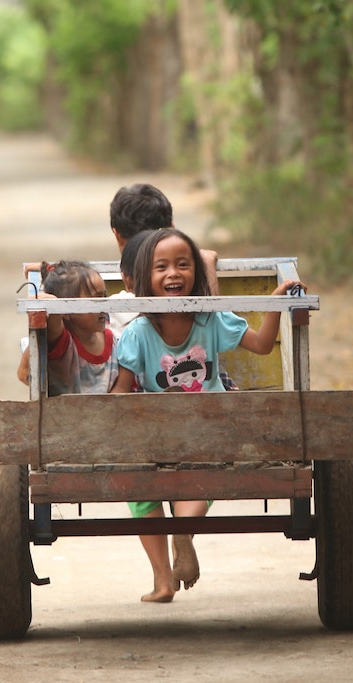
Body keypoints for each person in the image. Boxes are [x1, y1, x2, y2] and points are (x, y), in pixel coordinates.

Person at [110, 227, 303, 603]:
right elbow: (264, 346)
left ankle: (164, 581)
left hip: (165, 433)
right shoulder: (201, 321)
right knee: (202, 479)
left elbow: (121, 392)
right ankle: (183, 531)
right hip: (210, 432)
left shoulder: (187, 323)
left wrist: (274, 303)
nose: (173, 274)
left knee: (142, 491)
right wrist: (274, 306)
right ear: (146, 280)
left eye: (183, 265)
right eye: (161, 267)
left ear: (196, 274)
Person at [16, 260, 117, 396]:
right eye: (96, 299)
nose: (103, 305)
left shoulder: (111, 336)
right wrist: (49, 272)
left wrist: (47, 268)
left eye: (104, 296)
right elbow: (49, 309)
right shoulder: (63, 343)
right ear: (66, 311)